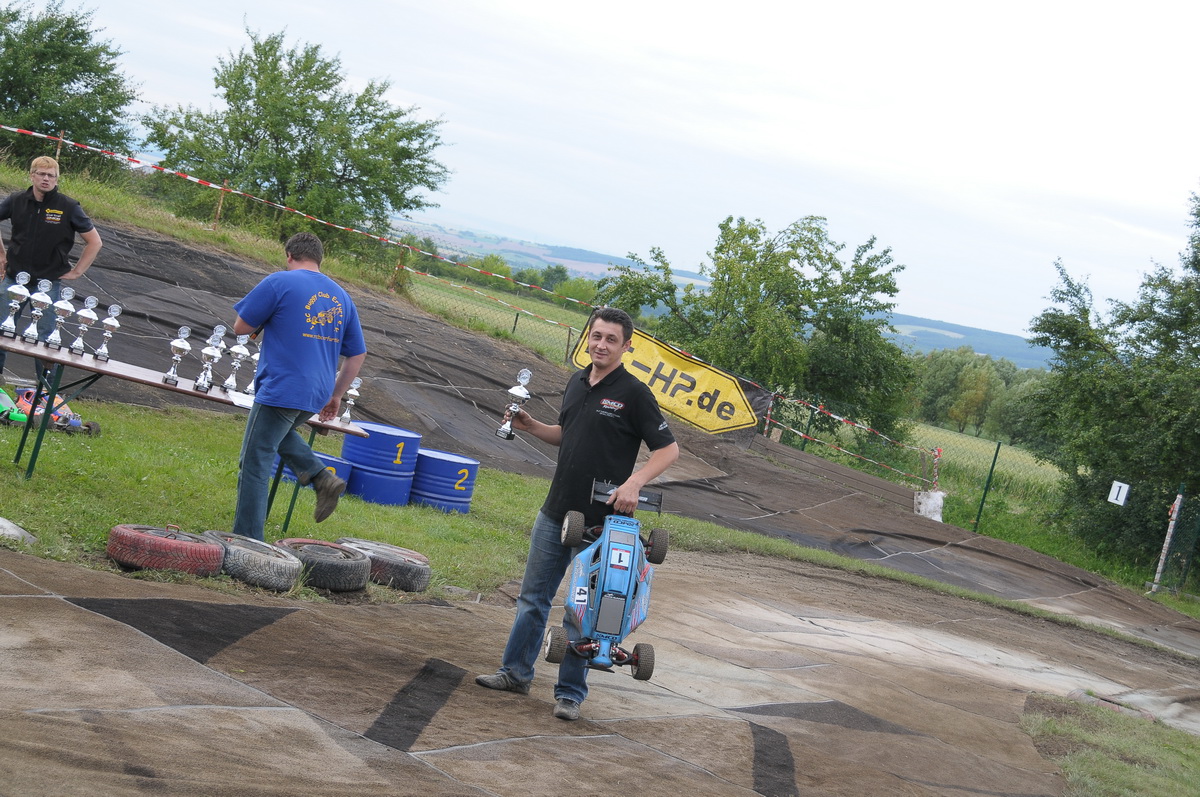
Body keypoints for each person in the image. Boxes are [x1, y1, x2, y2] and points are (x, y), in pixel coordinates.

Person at [476, 306, 679, 721]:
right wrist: (531, 426)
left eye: (611, 339)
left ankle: (569, 693)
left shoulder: (634, 393)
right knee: (532, 598)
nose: (601, 345)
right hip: (556, 511)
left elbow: (668, 449)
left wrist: (634, 483)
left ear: (626, 346)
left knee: (582, 609)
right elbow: (567, 435)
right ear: (588, 338)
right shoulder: (576, 381)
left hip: (602, 525)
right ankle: (515, 673)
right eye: (596, 336)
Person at [230, 232, 366, 541]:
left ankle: (247, 540)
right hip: (317, 392)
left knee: (254, 462)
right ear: (319, 259)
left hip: (283, 386)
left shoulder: (279, 281)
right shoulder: (342, 297)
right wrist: (336, 395)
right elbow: (357, 354)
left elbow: (241, 327)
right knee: (277, 438)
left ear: (289, 255)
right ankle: (321, 478)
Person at [0, 156, 103, 381]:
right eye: (41, 174)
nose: (46, 179)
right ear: (32, 175)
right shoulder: (17, 200)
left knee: (48, 338)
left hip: (47, 285)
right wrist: (1, 254)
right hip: (14, 279)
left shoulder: (69, 207)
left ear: (57, 179)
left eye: (51, 175)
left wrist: (78, 271)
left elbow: (95, 242)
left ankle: (47, 391)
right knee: (2, 330)